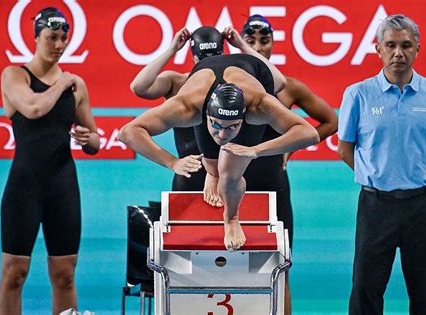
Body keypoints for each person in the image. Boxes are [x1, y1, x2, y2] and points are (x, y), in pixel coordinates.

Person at [119, 53, 320, 251]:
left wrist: (256, 150)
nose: (223, 134)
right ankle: (212, 172)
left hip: (256, 75)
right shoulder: (188, 106)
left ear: (244, 117)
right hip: (204, 87)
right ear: (205, 115)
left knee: (231, 172)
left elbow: (309, 133)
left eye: (231, 127)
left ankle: (231, 218)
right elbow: (128, 132)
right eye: (216, 125)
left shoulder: (259, 105)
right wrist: (172, 162)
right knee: (216, 167)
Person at [337, 14, 426, 315]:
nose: (398, 53)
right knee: (366, 288)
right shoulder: (358, 95)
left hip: (424, 205)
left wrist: (420, 173)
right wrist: (377, 174)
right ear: (377, 48)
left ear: (417, 48)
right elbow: (345, 149)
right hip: (375, 205)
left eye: (406, 45)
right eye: (390, 45)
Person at [0, 7, 100, 315]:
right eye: (51, 37)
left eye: (63, 38)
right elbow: (32, 108)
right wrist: (62, 82)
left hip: (62, 184)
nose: (59, 44)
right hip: (24, 185)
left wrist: (87, 139)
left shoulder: (76, 85)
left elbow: (94, 138)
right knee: (14, 273)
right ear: (36, 38)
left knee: (65, 274)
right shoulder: (14, 75)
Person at [240, 14, 338, 315]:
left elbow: (330, 121)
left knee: (279, 267)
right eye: (251, 41)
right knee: (231, 266)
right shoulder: (230, 84)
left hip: (273, 185)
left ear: (273, 44)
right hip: (236, 186)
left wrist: (291, 148)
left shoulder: (288, 88)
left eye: (264, 41)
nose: (258, 46)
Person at [130, 25, 288, 195]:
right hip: (191, 170)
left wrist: (243, 46)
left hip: (228, 171)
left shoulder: (236, 85)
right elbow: (139, 87)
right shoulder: (178, 82)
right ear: (193, 58)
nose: (209, 64)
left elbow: (278, 82)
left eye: (214, 57)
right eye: (202, 59)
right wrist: (171, 49)